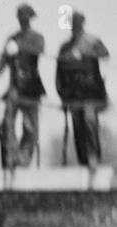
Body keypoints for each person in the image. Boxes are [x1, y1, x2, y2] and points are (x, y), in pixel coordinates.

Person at [57, 12, 109, 172]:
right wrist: (63, 96)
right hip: (73, 95)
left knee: (89, 123)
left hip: (91, 93)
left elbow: (105, 54)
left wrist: (85, 53)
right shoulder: (65, 47)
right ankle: (83, 162)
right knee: (78, 128)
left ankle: (93, 158)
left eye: (77, 24)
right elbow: (59, 75)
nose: (75, 27)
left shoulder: (92, 41)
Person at [0, 4, 46, 171]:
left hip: (32, 88)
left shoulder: (37, 37)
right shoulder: (12, 38)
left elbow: (39, 50)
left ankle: (24, 158)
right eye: (21, 18)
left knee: (30, 126)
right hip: (15, 87)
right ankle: (12, 154)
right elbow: (3, 59)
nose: (23, 21)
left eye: (25, 18)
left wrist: (20, 48)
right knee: (7, 122)